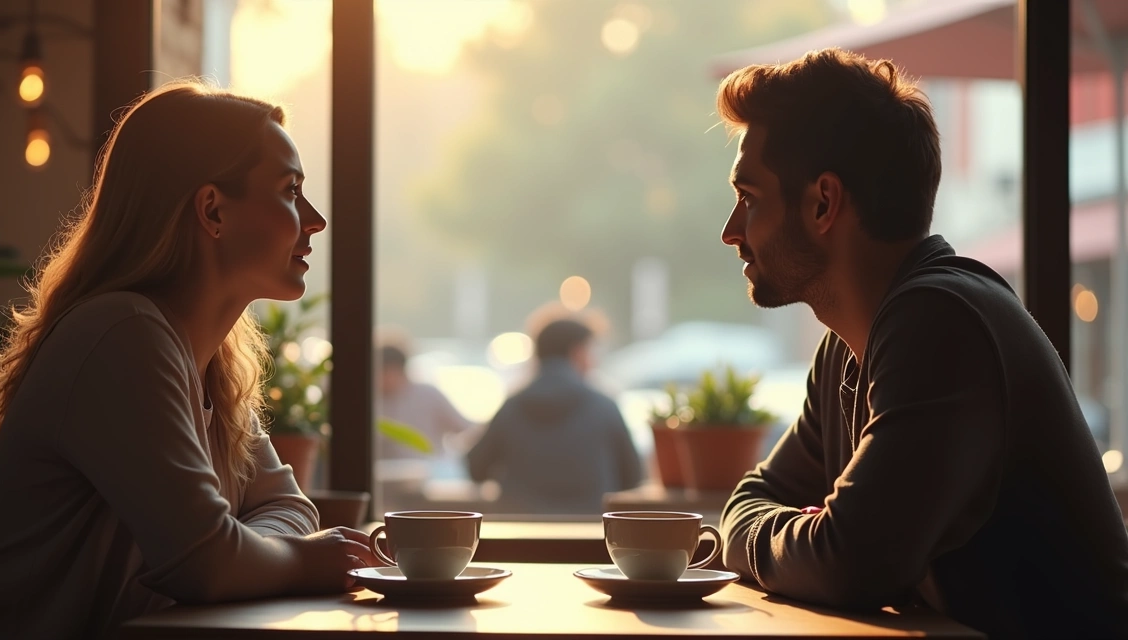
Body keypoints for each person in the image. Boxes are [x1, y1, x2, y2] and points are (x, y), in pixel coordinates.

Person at [0, 82, 378, 638]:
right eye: (290, 190)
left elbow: (289, 508)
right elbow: (205, 563)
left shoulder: (207, 359)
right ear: (212, 209)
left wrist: (247, 554)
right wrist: (307, 560)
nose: (315, 219)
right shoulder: (123, 336)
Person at [714, 48, 1128, 637]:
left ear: (823, 203)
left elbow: (850, 561)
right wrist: (791, 531)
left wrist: (765, 535)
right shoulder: (846, 349)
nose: (731, 230)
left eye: (750, 198)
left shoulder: (940, 321)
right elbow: (757, 497)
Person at [467, 318, 643, 515]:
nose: (594, 361)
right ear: (577, 352)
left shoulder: (511, 407)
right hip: (588, 537)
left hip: (519, 537)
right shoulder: (604, 407)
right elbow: (632, 477)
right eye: (591, 351)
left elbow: (476, 469)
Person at [376, 342, 473, 459]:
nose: (383, 379)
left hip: (430, 469)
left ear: (400, 370)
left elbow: (465, 428)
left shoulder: (428, 394)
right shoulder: (372, 400)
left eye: (387, 372)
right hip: (385, 473)